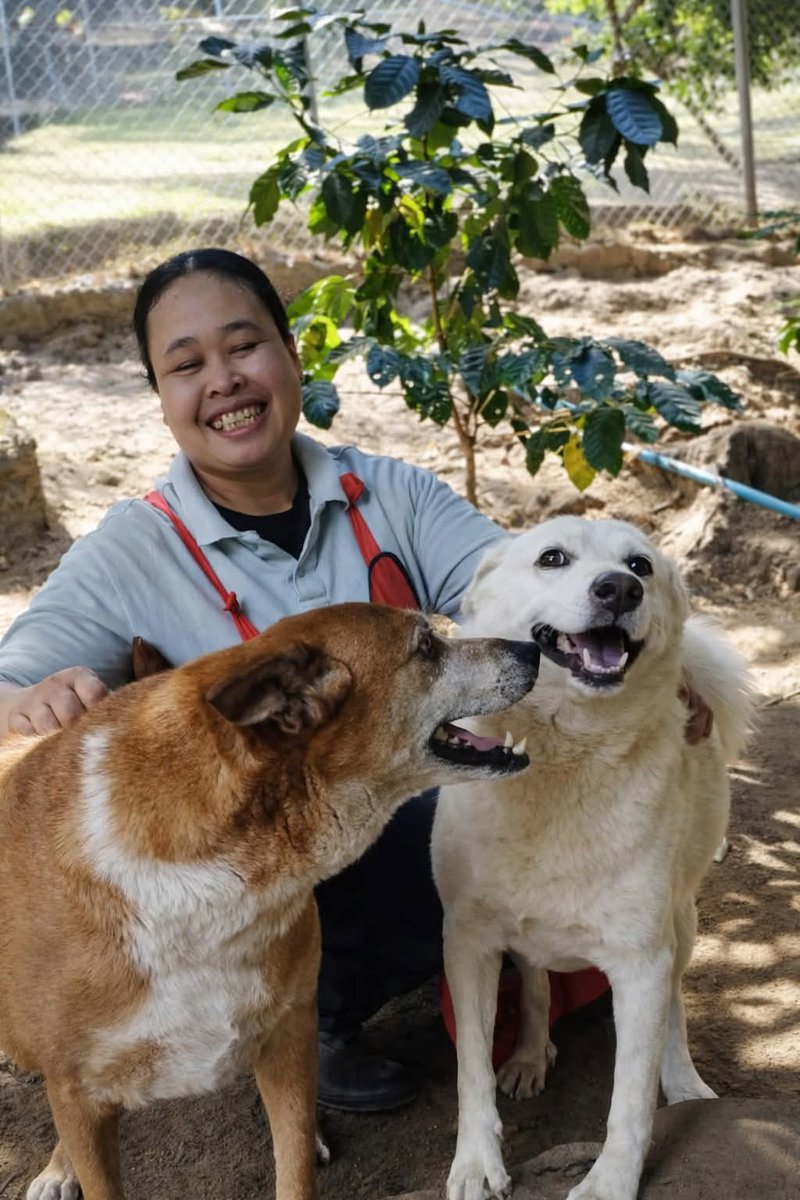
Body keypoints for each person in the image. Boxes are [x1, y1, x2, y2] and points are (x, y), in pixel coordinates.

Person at [0, 247, 712, 1113]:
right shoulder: (129, 550)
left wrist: (635, 646)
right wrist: (28, 699)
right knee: (371, 815)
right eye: (186, 365)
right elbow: (10, 681)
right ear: (160, 395)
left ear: (292, 357)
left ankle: (472, 975)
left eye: (244, 346)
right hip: (247, 859)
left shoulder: (389, 493)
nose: (223, 381)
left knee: (444, 811)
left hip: (379, 814)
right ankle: (310, 1021)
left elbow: (523, 588)